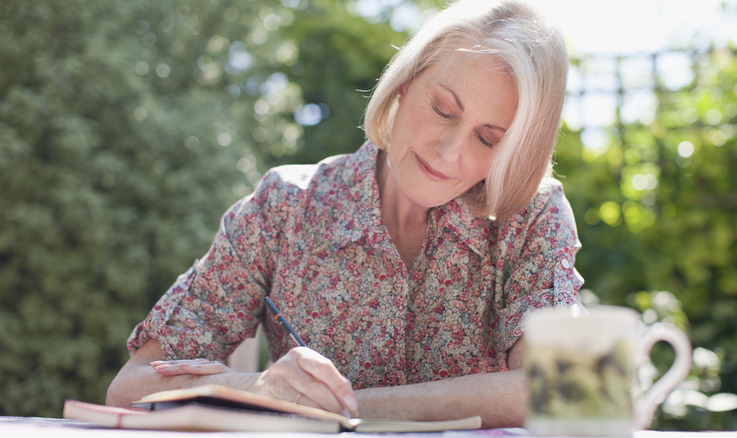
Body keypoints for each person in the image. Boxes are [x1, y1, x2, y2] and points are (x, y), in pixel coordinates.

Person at [106, 0, 583, 428]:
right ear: (404, 84)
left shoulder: (532, 216)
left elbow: (560, 388)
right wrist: (256, 390)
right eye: (442, 109)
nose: (449, 151)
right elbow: (131, 386)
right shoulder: (285, 207)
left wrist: (345, 405)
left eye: (487, 139)